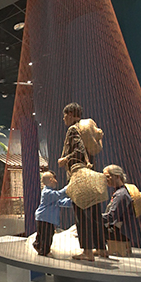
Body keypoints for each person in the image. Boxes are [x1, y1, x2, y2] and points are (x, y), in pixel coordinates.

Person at [57, 102, 105, 261]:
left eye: (65, 116)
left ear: (70, 114)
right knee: (95, 212)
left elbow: (78, 150)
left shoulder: (73, 130)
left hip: (79, 176)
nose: (64, 119)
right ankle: (101, 249)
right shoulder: (86, 130)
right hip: (90, 174)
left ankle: (87, 251)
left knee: (81, 214)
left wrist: (65, 159)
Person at [33, 172, 72, 256]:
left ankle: (38, 245)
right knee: (47, 235)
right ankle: (44, 251)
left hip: (44, 218)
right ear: (51, 180)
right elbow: (59, 195)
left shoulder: (51, 194)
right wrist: (69, 187)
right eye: (55, 179)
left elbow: (61, 202)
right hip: (45, 218)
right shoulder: (47, 193)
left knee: (42, 234)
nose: (56, 181)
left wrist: (72, 202)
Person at [102, 164, 135, 243]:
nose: (105, 180)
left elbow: (111, 216)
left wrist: (93, 217)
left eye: (108, 177)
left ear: (117, 177)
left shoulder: (121, 194)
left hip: (118, 232)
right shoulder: (120, 192)